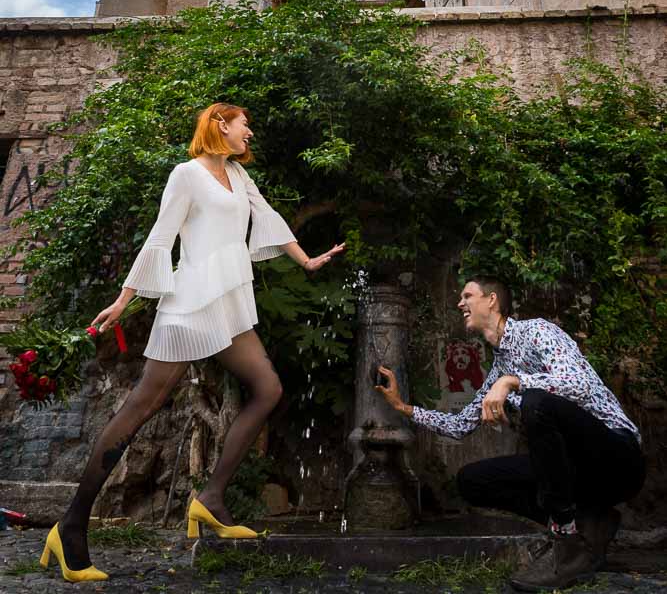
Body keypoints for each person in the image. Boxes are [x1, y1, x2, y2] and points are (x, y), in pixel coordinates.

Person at [40, 102, 345, 583]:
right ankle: (70, 526)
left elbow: (267, 215)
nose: (251, 132)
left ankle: (210, 499)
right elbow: (160, 239)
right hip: (191, 300)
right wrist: (123, 301)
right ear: (221, 125)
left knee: (267, 389)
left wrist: (306, 261)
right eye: (246, 124)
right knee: (143, 404)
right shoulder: (186, 174)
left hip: (229, 299)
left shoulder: (239, 177)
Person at [376, 275, 645, 593]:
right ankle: (586, 524)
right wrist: (402, 407)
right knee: (472, 481)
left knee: (536, 403)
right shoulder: (497, 370)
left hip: (618, 459)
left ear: (491, 300)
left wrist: (512, 382)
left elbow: (580, 383)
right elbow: (460, 425)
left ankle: (564, 539)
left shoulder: (538, 331)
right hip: (575, 472)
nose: (460, 303)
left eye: (468, 295)